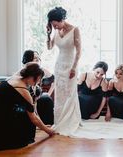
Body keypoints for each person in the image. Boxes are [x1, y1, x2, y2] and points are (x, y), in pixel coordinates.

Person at [0, 63, 54, 151]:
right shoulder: (23, 90)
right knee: (27, 118)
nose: (39, 82)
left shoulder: (14, 78)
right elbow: (34, 118)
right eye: (39, 79)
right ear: (33, 77)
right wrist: (48, 131)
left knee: (23, 113)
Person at [46, 7, 82, 135]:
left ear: (62, 20)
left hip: (71, 65)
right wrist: (49, 34)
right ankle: (60, 120)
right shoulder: (55, 31)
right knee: (60, 95)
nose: (55, 27)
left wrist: (73, 68)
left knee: (70, 93)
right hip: (59, 65)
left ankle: (71, 121)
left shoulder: (74, 30)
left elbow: (79, 51)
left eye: (56, 24)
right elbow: (50, 47)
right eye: (53, 25)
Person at [22, 50, 54, 125]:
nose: (38, 60)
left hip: (36, 100)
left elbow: (53, 79)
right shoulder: (24, 73)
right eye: (35, 58)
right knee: (45, 99)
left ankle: (49, 123)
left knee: (46, 98)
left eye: (38, 58)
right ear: (28, 60)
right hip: (27, 102)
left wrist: (49, 93)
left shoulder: (40, 70)